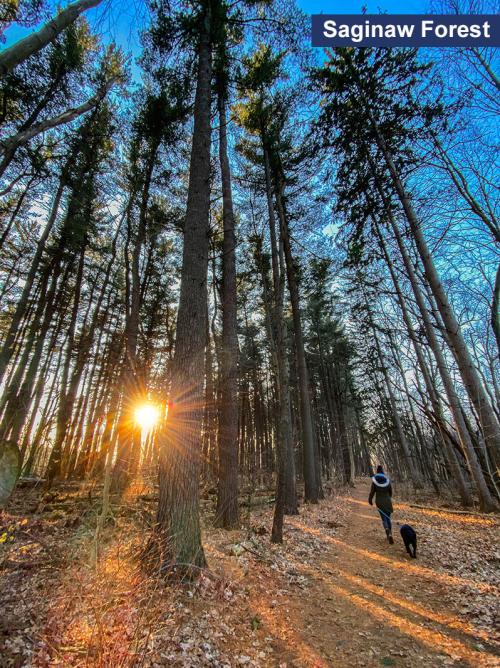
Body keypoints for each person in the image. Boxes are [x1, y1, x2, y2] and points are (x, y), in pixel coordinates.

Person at [368, 465, 394, 544]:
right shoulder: (387, 480)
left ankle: (386, 529)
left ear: (377, 471)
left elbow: (372, 492)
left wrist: (370, 500)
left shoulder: (375, 480)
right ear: (382, 470)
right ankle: (390, 533)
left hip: (379, 501)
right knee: (388, 517)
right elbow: (390, 491)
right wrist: (389, 497)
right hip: (387, 501)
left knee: (384, 518)